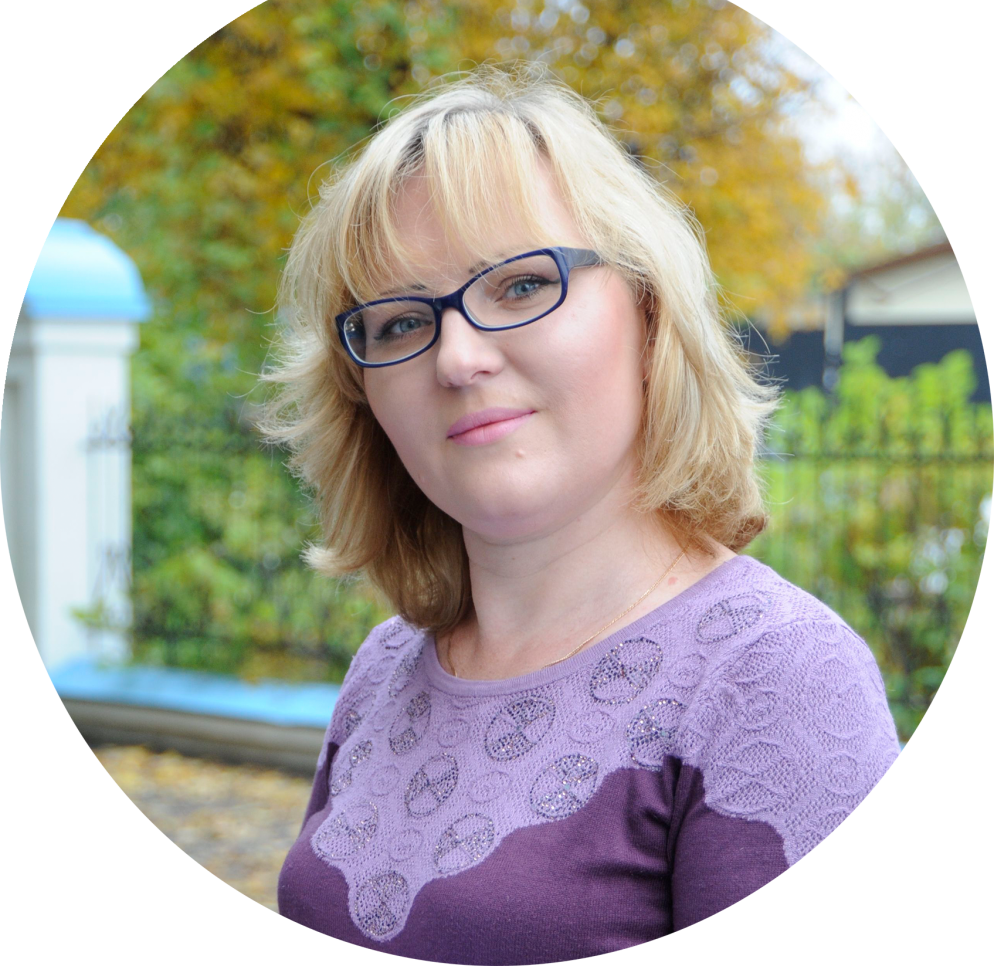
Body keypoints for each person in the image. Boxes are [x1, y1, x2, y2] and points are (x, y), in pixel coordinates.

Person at [265, 63, 901, 959]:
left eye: (521, 285)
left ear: (649, 311)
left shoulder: (776, 678)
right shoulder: (387, 667)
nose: (458, 358)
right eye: (400, 322)